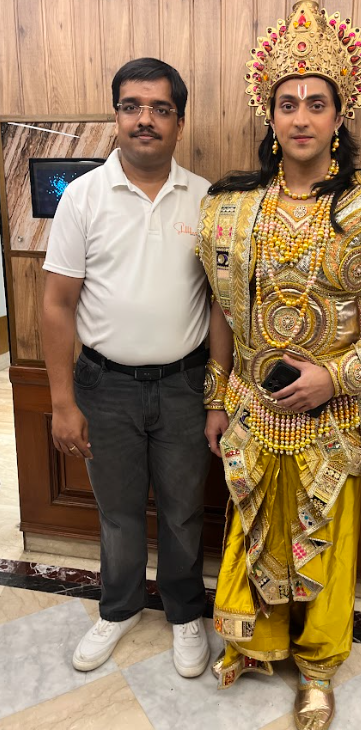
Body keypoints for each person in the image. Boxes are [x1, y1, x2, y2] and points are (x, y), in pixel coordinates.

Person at [198, 3, 361, 728]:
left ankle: (319, 668)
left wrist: (335, 377)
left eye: (315, 102)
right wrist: (216, 399)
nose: (300, 116)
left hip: (333, 412)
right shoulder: (231, 208)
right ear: (269, 116)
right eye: (287, 103)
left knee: (323, 546)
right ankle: (258, 642)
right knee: (253, 528)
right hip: (252, 406)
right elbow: (222, 313)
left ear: (339, 115)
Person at [42, 57, 211, 678]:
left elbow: (220, 304)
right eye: (132, 106)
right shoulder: (83, 196)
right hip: (104, 385)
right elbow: (57, 304)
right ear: (116, 116)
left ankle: (185, 612)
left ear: (179, 122)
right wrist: (62, 402)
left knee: (183, 510)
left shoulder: (207, 199)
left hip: (185, 385)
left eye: (161, 109)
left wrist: (219, 395)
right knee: (116, 510)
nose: (146, 119)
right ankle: (118, 609)